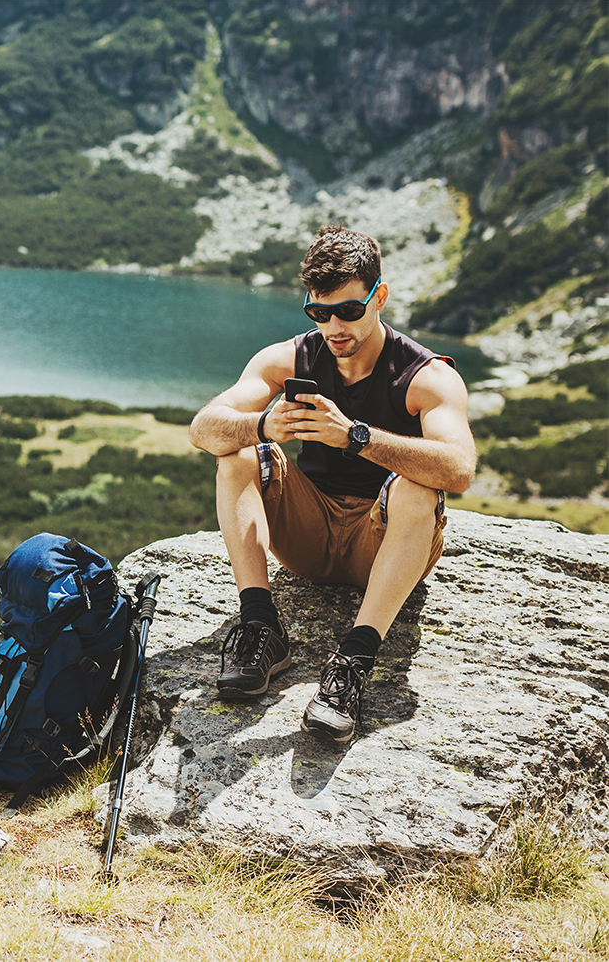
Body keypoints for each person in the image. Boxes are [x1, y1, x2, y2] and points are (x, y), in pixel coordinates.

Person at [188, 225, 476, 743]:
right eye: (319, 313)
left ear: (379, 296)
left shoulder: (426, 376)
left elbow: (458, 469)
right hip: (310, 536)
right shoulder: (289, 358)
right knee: (236, 455)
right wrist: (261, 426)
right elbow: (203, 429)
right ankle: (260, 626)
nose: (334, 326)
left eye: (348, 309)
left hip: (381, 543)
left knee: (418, 487)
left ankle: (353, 663)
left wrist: (357, 437)